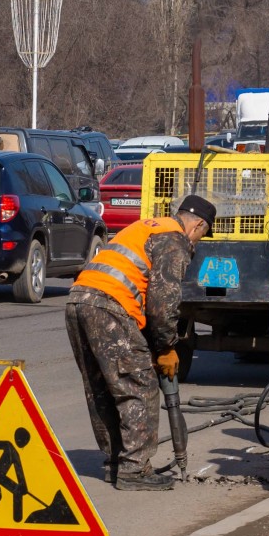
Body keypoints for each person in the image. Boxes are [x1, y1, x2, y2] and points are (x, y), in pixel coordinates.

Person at [65, 195, 216, 491]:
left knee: (102, 388)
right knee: (139, 385)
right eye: (202, 234)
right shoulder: (174, 239)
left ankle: (116, 462)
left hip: (77, 301)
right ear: (198, 224)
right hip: (109, 305)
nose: (197, 242)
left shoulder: (146, 227)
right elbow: (163, 303)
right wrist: (167, 348)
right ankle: (134, 469)